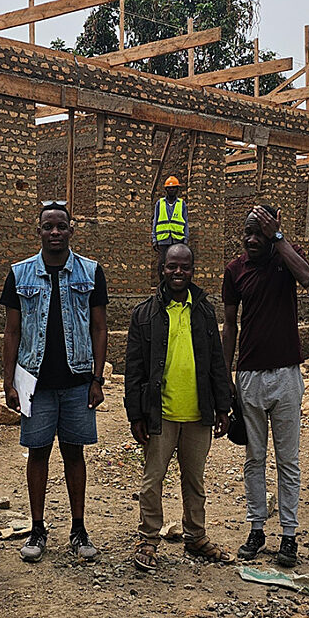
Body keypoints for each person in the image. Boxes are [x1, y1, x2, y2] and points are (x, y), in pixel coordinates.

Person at [1, 202, 108, 563]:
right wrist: (9, 383)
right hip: (36, 382)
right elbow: (12, 331)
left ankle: (78, 529)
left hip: (78, 382)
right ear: (39, 231)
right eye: (49, 227)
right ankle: (37, 528)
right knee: (38, 453)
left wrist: (97, 378)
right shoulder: (20, 274)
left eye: (61, 226)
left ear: (71, 230)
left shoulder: (91, 272)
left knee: (74, 453)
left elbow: (99, 327)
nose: (55, 232)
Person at [125, 243, 234, 573]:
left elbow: (217, 361)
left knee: (195, 480)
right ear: (162, 268)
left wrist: (223, 408)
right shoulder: (145, 313)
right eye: (172, 266)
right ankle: (148, 538)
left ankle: (196, 536)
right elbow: (134, 369)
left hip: (198, 412)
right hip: (161, 413)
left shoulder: (203, 311)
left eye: (184, 267)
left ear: (192, 271)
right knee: (152, 480)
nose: (178, 272)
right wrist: (135, 415)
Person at [221, 204, 309, 567]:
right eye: (248, 232)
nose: (251, 239)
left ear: (274, 231)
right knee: (254, 457)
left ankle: (289, 535)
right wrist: (225, 375)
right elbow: (230, 326)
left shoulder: (285, 260)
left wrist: (279, 239)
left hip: (287, 375)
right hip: (249, 377)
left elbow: (307, 277)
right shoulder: (235, 270)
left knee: (288, 460)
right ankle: (256, 528)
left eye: (260, 232)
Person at [152, 176, 188, 271]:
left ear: (177, 189)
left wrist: (185, 239)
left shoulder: (181, 203)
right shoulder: (160, 203)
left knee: (177, 264)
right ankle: (162, 284)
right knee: (162, 264)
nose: (172, 190)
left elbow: (185, 222)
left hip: (178, 239)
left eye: (174, 188)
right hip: (163, 240)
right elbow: (155, 222)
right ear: (166, 189)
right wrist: (154, 239)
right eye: (169, 188)